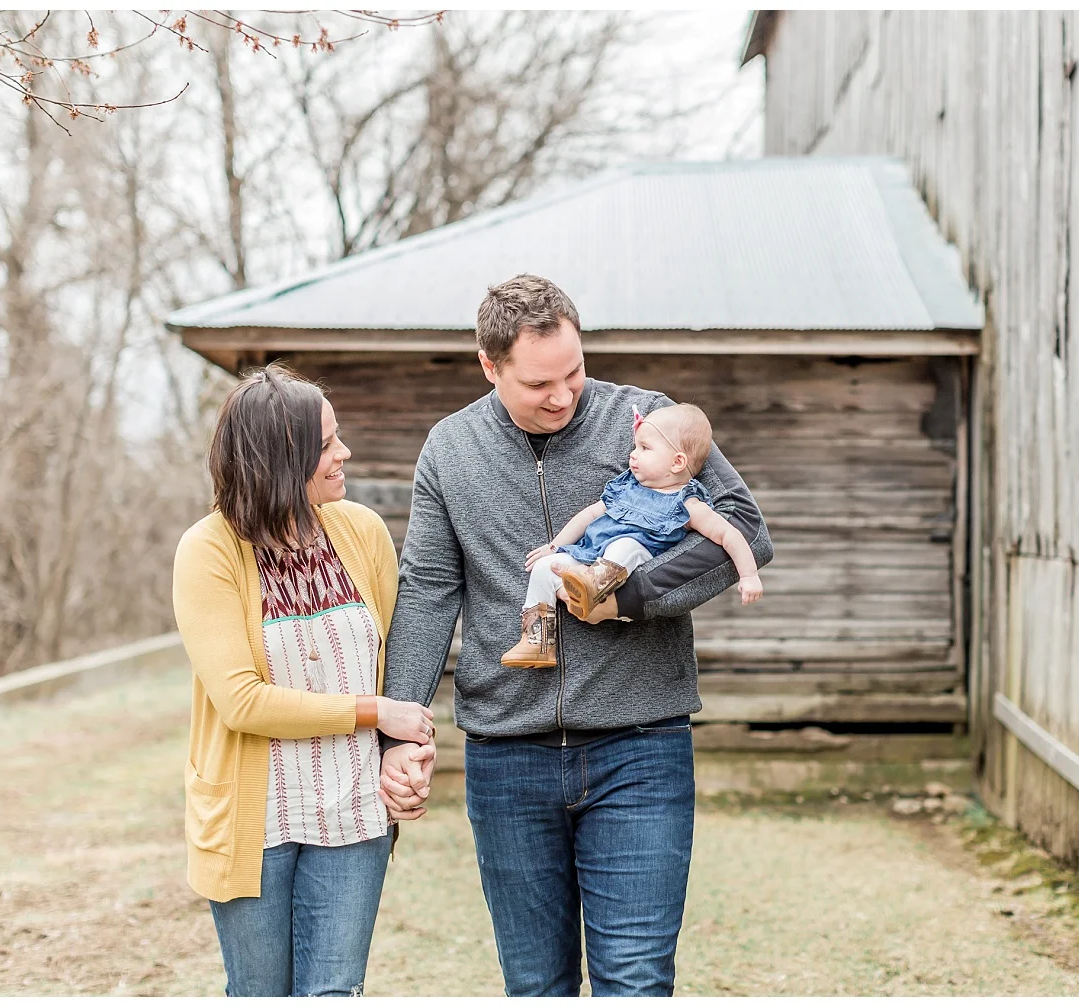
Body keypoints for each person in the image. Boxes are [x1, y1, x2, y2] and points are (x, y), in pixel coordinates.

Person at [377, 274, 774, 996]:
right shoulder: (451, 448)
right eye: (538, 383)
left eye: (574, 371)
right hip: (507, 758)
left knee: (635, 979)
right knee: (535, 985)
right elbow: (430, 587)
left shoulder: (649, 420)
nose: (563, 395)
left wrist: (631, 600)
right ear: (490, 365)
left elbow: (745, 529)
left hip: (640, 747)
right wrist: (402, 726)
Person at [172, 363, 437, 997]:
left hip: (353, 816)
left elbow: (392, 666)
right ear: (276, 459)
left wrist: (401, 754)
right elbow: (240, 700)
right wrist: (373, 714)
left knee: (334, 993)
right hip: (254, 826)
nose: (343, 454)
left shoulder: (361, 531)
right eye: (324, 445)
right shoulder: (207, 551)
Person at [502, 402, 764, 668]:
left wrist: (749, 575)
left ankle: (592, 588)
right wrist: (555, 546)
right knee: (544, 568)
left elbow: (729, 534)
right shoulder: (625, 488)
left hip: (624, 574)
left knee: (627, 544)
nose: (633, 454)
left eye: (645, 448)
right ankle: (538, 640)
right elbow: (587, 516)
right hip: (589, 557)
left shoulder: (687, 504)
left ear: (677, 462)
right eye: (635, 446)